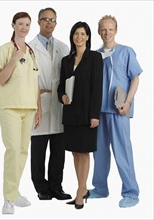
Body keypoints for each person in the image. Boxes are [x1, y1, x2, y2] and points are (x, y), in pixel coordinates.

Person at [89, 15, 143, 208]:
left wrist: (128, 102)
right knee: (99, 152)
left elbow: (135, 78)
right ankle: (100, 189)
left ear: (116, 30)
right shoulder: (95, 55)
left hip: (119, 110)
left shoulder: (126, 52)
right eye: (103, 29)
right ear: (98, 31)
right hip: (98, 111)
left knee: (122, 152)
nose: (107, 32)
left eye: (110, 29)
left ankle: (131, 192)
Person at [0, 12, 41, 214]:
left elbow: (35, 83)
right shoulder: (3, 50)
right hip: (10, 107)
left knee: (22, 152)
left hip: (29, 108)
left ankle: (14, 193)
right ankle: (8, 199)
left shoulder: (32, 52)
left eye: (27, 24)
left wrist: (38, 108)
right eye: (20, 24)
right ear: (13, 25)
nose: (24, 27)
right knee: (13, 150)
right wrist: (13, 60)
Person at [57, 21, 103, 209]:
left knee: (84, 153)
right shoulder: (66, 61)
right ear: (72, 36)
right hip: (70, 113)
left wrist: (95, 115)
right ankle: (81, 189)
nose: (79, 37)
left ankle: (81, 190)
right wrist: (63, 96)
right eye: (76, 33)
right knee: (75, 153)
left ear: (88, 37)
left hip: (87, 114)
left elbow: (97, 88)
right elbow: (60, 86)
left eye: (83, 34)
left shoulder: (95, 58)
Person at [29, 7, 71, 201]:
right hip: (38, 103)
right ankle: (41, 188)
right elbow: (27, 80)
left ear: (56, 23)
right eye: (45, 19)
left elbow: (69, 78)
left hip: (60, 105)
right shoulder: (30, 48)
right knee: (38, 151)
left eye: (52, 19)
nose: (49, 22)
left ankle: (56, 187)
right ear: (38, 22)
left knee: (58, 151)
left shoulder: (63, 47)